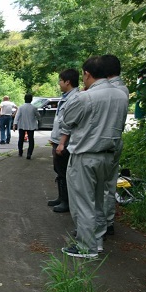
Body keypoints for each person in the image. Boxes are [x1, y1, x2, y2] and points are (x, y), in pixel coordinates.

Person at [58, 56, 129, 258]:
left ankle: (86, 246)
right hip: (108, 155)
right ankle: (97, 241)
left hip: (85, 154)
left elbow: (68, 119)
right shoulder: (121, 95)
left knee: (82, 202)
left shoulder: (85, 97)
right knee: (99, 199)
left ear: (87, 74)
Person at [102, 54, 130, 236]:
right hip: (116, 140)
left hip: (105, 143)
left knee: (101, 186)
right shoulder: (124, 89)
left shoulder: (111, 90)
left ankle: (102, 223)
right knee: (110, 183)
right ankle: (108, 221)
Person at [48, 69, 80, 213]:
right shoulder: (65, 97)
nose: (59, 83)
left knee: (64, 171)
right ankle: (61, 198)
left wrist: (61, 142)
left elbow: (68, 123)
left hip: (65, 142)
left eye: (60, 80)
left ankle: (66, 201)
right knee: (59, 170)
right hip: (58, 140)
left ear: (67, 82)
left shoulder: (74, 98)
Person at [12, 94, 40, 159]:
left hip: (22, 125)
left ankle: (20, 152)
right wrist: (37, 119)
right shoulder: (34, 107)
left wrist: (14, 124)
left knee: (21, 139)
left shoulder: (21, 107)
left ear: (24, 99)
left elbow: (17, 116)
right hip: (31, 126)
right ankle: (29, 153)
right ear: (31, 99)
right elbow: (38, 116)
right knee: (31, 139)